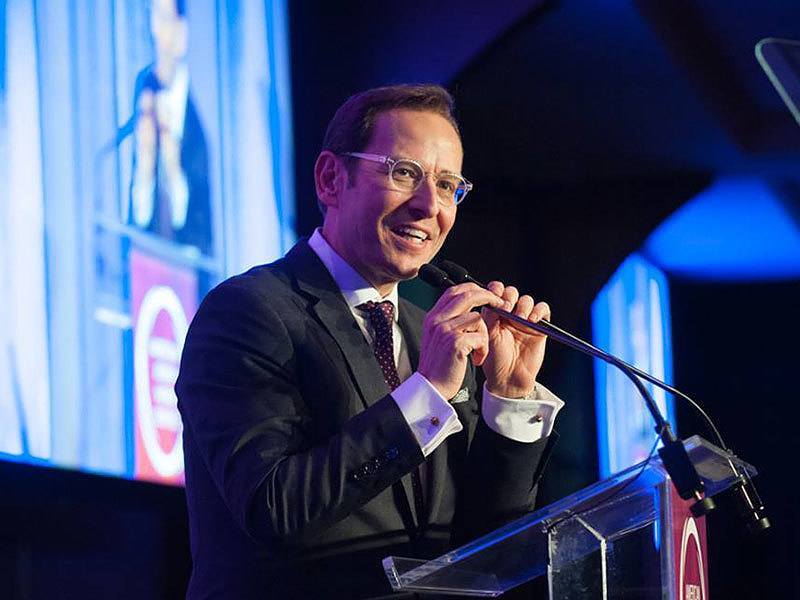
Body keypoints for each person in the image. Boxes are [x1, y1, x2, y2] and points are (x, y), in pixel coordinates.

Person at [176, 84, 564, 599]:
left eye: (449, 185)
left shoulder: (432, 329)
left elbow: (486, 551)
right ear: (331, 179)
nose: (430, 206)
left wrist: (509, 400)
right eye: (404, 173)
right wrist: (426, 391)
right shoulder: (249, 311)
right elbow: (274, 508)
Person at [128, 0, 212, 255]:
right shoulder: (143, 93)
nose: (154, 31)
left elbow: (197, 233)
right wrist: (145, 166)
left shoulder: (196, 126)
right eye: (152, 18)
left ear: (181, 32)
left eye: (163, 18)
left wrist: (173, 166)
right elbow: (139, 220)